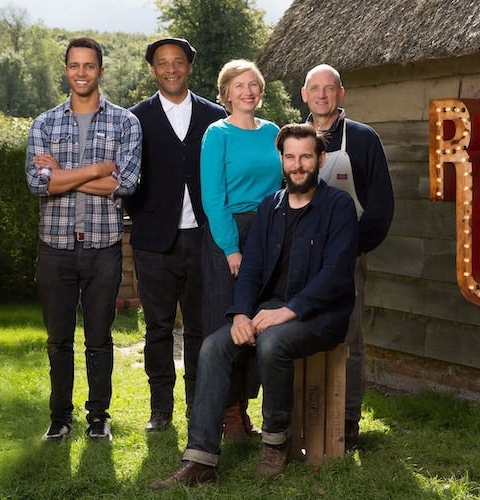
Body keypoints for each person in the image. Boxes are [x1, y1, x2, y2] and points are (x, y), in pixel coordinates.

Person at [150, 123, 358, 488]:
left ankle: (275, 441)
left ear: (320, 159)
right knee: (214, 346)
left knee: (272, 342)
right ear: (281, 161)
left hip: (320, 316)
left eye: (305, 157)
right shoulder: (271, 207)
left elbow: (336, 275)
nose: (297, 165)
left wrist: (287, 311)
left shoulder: (338, 206)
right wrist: (241, 313)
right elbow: (251, 270)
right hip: (268, 311)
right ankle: (200, 461)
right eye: (290, 157)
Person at [25, 37, 142, 442]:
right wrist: (97, 170)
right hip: (54, 246)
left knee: (98, 338)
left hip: (103, 245)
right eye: (74, 65)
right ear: (65, 70)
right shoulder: (44, 123)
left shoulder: (125, 123)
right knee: (58, 339)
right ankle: (60, 418)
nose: (81, 72)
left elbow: (125, 183)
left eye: (88, 66)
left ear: (100, 71)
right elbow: (38, 185)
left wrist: (64, 175)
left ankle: (98, 417)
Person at [125, 38, 227, 432]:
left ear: (189, 66)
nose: (171, 69)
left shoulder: (215, 116)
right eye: (163, 63)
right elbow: (128, 178)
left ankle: (198, 407)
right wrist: (147, 217)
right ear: (153, 69)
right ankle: (160, 409)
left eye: (178, 62)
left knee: (201, 328)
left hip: (205, 238)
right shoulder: (136, 118)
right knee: (158, 328)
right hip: (154, 241)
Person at [301, 63, 394, 447]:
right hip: (302, 260)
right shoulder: (293, 137)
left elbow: (380, 206)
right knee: (301, 335)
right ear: (304, 95)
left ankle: (347, 418)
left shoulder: (361, 138)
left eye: (330, 88)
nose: (322, 95)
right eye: (314, 88)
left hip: (346, 258)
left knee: (349, 337)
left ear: (341, 94)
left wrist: (351, 248)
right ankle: (306, 415)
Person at [200, 59, 283, 440]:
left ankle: (250, 406)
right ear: (226, 93)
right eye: (239, 85)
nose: (248, 91)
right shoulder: (217, 134)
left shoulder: (274, 133)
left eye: (254, 85)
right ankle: (230, 415)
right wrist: (231, 248)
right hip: (228, 233)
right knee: (228, 324)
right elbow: (214, 197)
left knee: (262, 321)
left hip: (271, 230)